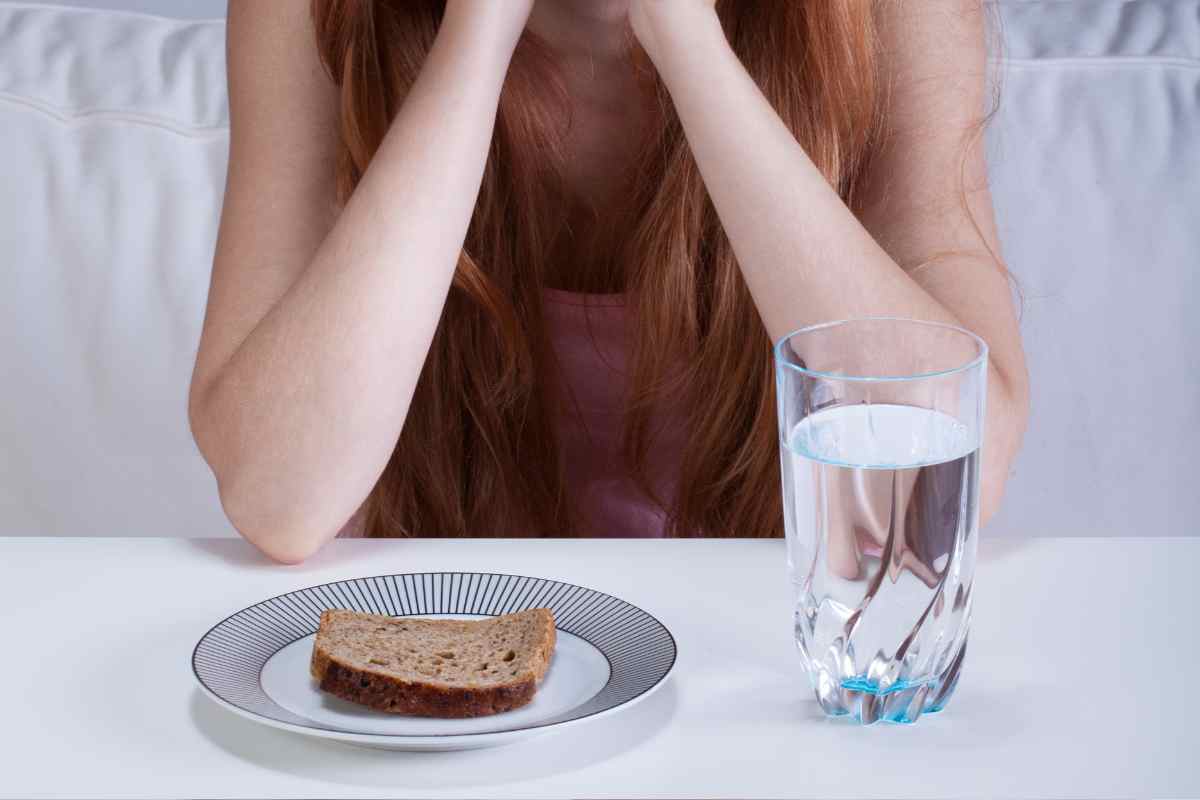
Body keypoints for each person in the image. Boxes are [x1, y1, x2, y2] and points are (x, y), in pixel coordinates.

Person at [188, 0, 1029, 563]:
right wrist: (478, 34)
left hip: (766, 688)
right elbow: (277, 492)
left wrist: (686, 40)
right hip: (465, 685)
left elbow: (949, 478)